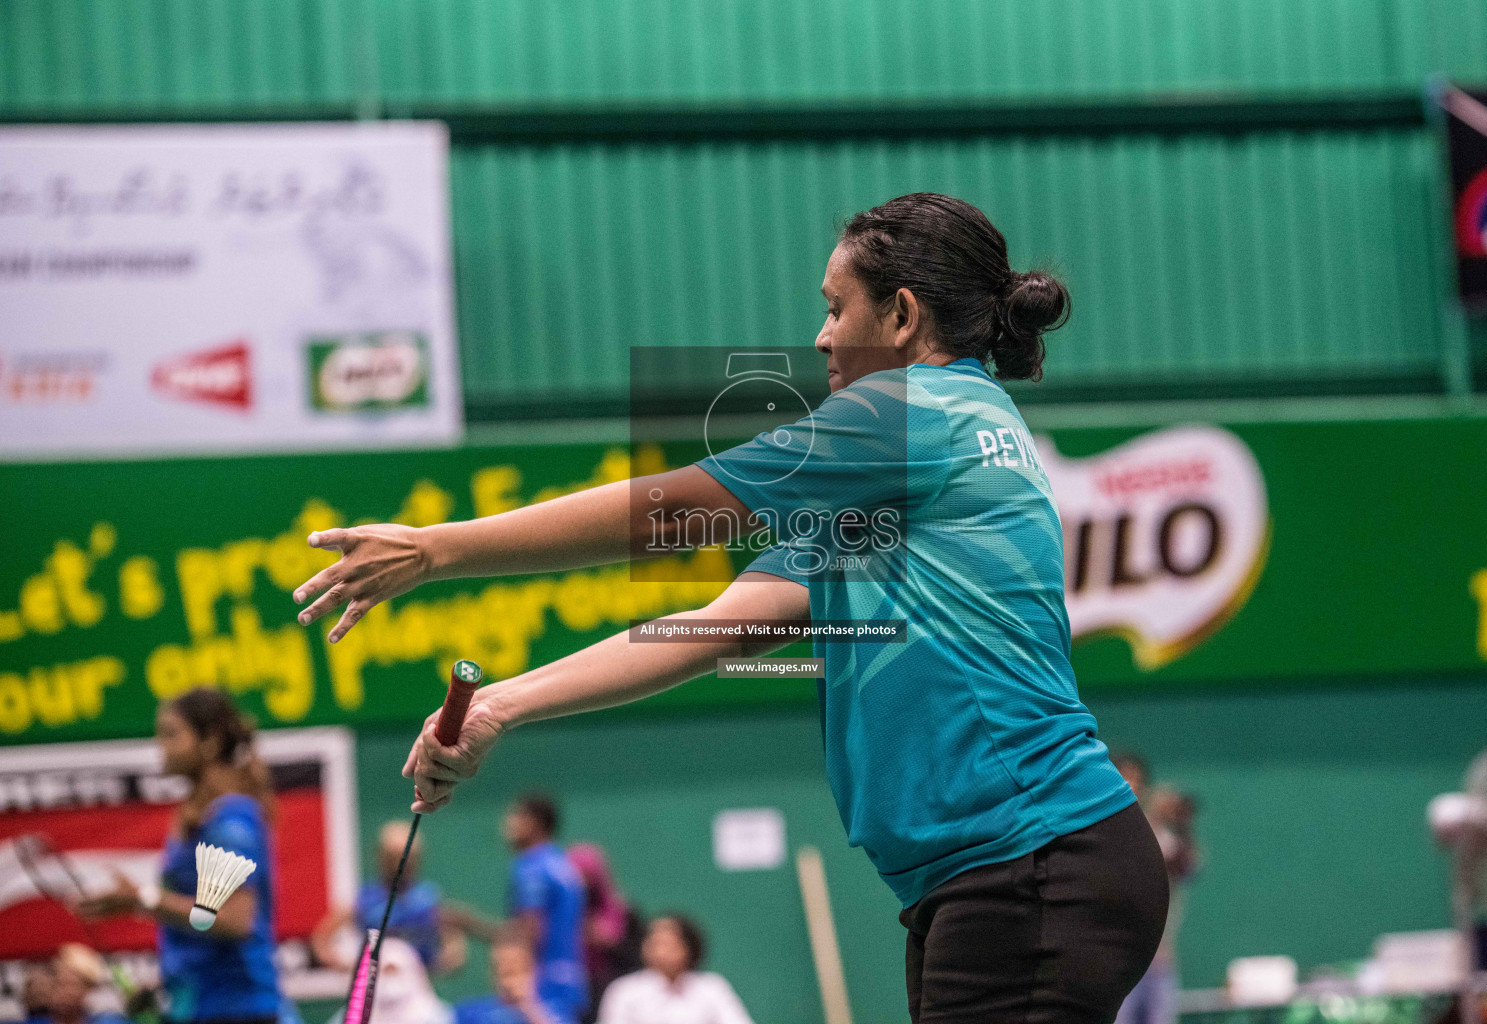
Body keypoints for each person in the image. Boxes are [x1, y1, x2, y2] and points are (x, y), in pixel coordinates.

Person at [296, 192, 1170, 1023]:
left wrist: (436, 548)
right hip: (1008, 869)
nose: (822, 338)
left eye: (837, 308)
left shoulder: (908, 411)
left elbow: (673, 511)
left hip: (1029, 858)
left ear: (901, 317)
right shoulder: (921, 457)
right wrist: (496, 706)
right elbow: (717, 627)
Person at [77, 687, 281, 1024]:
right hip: (197, 1007)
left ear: (210, 740)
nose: (162, 746)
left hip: (238, 1011)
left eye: (173, 734)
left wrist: (141, 899)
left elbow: (234, 919)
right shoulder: (196, 820)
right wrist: (162, 985)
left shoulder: (231, 821)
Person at [1110, 752, 1201, 1024]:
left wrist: (1181, 824)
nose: (1131, 786)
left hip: (1159, 964)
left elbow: (1186, 867)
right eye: (1124, 777)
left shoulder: (1162, 834)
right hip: (1117, 962)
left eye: (1136, 780)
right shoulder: (1105, 830)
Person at [311, 820, 468, 975]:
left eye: (410, 856)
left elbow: (454, 945)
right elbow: (321, 939)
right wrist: (351, 966)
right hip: (374, 986)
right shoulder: (365, 900)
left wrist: (434, 965)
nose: (402, 863)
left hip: (418, 987)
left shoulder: (428, 899)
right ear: (380, 857)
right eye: (393, 856)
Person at [504, 794, 588, 1022]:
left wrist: (468, 924)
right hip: (572, 981)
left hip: (542, 986)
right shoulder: (563, 864)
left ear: (535, 822)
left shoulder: (532, 867)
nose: (507, 822)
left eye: (515, 815)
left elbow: (529, 932)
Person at [596, 915, 752, 1024]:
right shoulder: (624, 991)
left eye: (669, 944)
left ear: (688, 948)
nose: (661, 951)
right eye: (655, 943)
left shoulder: (712, 988)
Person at [564, 844, 643, 1023]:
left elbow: (639, 959)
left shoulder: (624, 914)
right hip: (569, 993)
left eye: (586, 875)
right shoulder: (558, 916)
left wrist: (609, 943)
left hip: (609, 990)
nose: (581, 883)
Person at [455, 925, 570, 1024]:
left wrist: (529, 1010)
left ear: (533, 971)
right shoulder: (471, 1013)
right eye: (498, 972)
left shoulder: (554, 1013)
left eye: (513, 972)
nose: (506, 982)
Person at [323, 938, 452, 1024]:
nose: (386, 980)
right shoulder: (351, 1015)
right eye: (377, 972)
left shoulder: (436, 1016)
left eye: (392, 971)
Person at [32, 945, 130, 1024]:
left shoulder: (108, 1021)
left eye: (71, 984)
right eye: (57, 982)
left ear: (87, 988)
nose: (63, 992)